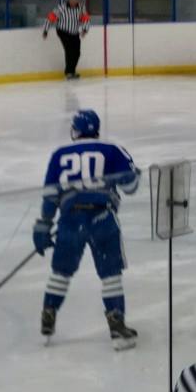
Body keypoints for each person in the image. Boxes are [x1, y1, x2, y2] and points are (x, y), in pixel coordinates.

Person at [34, 107, 140, 347]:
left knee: (61, 271)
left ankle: (48, 315)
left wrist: (44, 225)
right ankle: (117, 328)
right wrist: (134, 175)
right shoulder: (112, 150)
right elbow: (131, 187)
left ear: (76, 131)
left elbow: (50, 195)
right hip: (103, 218)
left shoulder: (59, 154)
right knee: (110, 274)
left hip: (70, 220)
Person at [44, 0, 91, 80]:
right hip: (63, 31)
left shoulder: (81, 8)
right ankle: (69, 72)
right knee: (69, 50)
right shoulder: (61, 8)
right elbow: (50, 18)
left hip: (74, 32)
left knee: (77, 53)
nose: (74, 1)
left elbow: (86, 19)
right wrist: (45, 30)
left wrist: (85, 29)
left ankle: (72, 71)